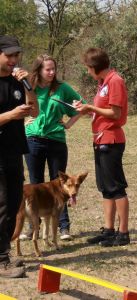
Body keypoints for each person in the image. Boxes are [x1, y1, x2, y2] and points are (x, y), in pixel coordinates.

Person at [20, 54, 85, 241]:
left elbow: (83, 106)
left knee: (60, 184)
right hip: (33, 140)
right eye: (47, 69)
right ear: (38, 70)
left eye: (53, 69)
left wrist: (70, 123)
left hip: (56, 140)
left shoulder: (62, 88)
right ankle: (34, 227)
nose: (52, 72)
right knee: (35, 184)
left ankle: (63, 227)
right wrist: (24, 121)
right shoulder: (28, 86)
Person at [75, 47, 130, 246]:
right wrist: (87, 110)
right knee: (105, 188)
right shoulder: (103, 83)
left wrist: (90, 107)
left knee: (116, 187)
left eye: (88, 69)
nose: (88, 72)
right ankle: (109, 230)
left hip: (111, 140)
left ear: (94, 67)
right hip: (100, 139)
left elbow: (115, 113)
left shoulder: (115, 81)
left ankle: (123, 233)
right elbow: (103, 110)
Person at [0, 35, 38, 278]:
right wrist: (11, 115)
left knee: (14, 204)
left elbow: (35, 111)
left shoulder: (18, 81)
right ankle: (1, 259)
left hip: (15, 150)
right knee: (3, 204)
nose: (14, 60)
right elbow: (13, 115)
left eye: (17, 55)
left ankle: (3, 253)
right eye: (9, 55)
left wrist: (29, 87)